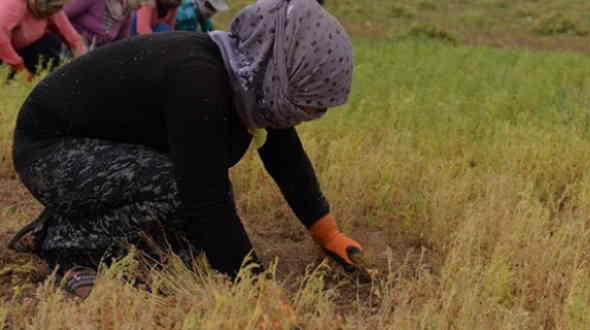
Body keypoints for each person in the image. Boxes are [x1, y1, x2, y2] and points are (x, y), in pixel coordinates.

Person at [9, 0, 363, 299]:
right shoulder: (199, 82)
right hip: (50, 153)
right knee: (178, 190)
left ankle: (59, 224)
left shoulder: (247, 74)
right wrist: (255, 290)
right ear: (283, 72)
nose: (311, 115)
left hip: (101, 150)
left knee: (190, 251)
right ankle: (63, 245)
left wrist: (326, 232)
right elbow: (205, 194)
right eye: (308, 103)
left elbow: (284, 154)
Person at [0, 0, 87, 80]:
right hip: (5, 55)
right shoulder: (13, 4)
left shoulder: (51, 6)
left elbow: (74, 39)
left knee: (49, 43)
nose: (57, 10)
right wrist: (21, 70)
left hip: (22, 51)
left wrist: (84, 66)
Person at [64, 0, 139, 49]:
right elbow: (61, 16)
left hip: (95, 57)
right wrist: (75, 40)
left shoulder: (125, 11)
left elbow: (122, 42)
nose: (143, 4)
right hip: (70, 50)